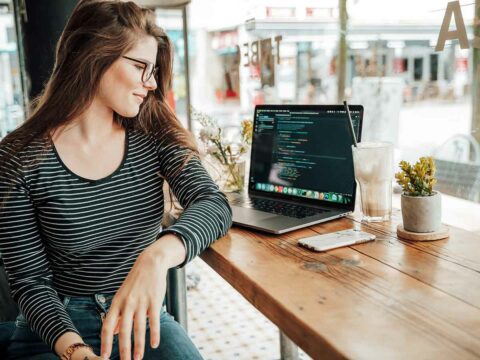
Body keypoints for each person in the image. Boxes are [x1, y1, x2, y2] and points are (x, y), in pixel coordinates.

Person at [0, 1, 232, 359]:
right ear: (92, 55)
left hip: (139, 318)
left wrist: (156, 257)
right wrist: (76, 351)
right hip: (55, 328)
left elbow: (213, 203)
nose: (151, 83)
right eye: (140, 66)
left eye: (153, 70)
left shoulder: (154, 134)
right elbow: (31, 284)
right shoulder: (18, 157)